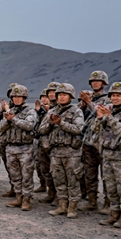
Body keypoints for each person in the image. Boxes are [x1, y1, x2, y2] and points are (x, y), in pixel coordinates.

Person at [38, 83, 84, 218]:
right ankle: (62, 205)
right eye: (59, 95)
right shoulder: (51, 112)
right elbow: (41, 130)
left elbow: (78, 129)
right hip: (56, 152)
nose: (61, 97)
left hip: (71, 152)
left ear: (70, 96)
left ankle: (72, 208)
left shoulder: (76, 111)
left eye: (65, 95)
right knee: (59, 180)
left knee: (72, 180)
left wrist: (61, 123)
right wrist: (51, 124)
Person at [96, 82, 121, 228]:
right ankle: (114, 214)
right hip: (108, 154)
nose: (115, 98)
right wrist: (99, 118)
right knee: (111, 187)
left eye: (118, 95)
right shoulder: (109, 110)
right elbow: (96, 130)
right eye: (113, 95)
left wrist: (109, 117)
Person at [0, 84, 38, 211]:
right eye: (14, 97)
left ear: (24, 98)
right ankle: (18, 197)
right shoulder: (10, 111)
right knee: (14, 174)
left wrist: (14, 119)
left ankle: (26, 199)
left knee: (26, 175)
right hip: (11, 147)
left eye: (19, 97)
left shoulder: (30, 111)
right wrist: (8, 119)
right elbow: (0, 128)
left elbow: (29, 126)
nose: (16, 99)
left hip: (25, 148)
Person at [78, 71, 110, 213]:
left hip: (102, 142)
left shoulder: (109, 99)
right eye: (93, 81)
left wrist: (89, 103)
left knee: (106, 174)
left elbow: (103, 113)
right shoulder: (87, 99)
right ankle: (92, 201)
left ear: (104, 83)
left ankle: (108, 203)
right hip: (88, 141)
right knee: (89, 173)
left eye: (98, 81)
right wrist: (83, 104)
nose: (95, 83)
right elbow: (79, 115)